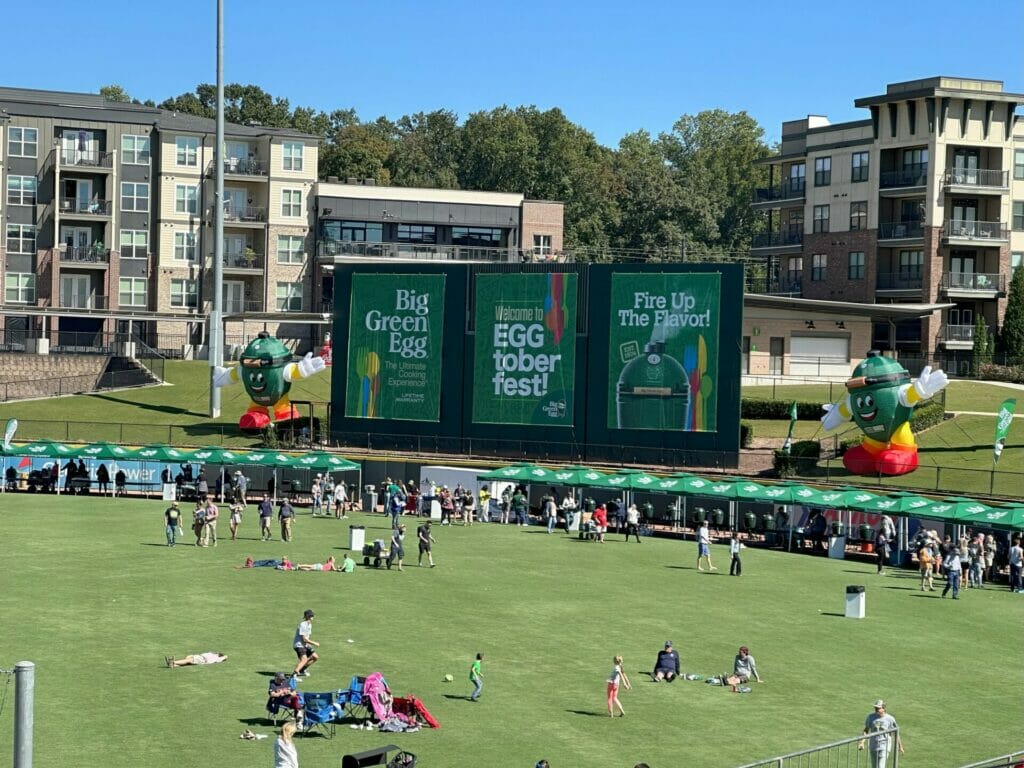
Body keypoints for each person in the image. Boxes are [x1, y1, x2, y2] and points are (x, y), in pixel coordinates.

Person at [859, 699, 904, 768]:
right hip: (873, 746)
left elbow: (896, 733)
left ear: (884, 708)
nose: (876, 709)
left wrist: (900, 746)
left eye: (878, 708)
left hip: (885, 746)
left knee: (880, 766)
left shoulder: (890, 719)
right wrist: (862, 742)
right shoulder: (871, 717)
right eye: (875, 708)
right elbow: (866, 730)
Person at [293, 609, 319, 677]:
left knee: (315, 657)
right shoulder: (303, 624)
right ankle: (294, 675)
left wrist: (309, 645)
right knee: (304, 660)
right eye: (311, 615)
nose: (313, 616)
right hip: (299, 645)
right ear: (308, 616)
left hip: (305, 645)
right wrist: (314, 643)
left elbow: (308, 637)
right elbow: (304, 639)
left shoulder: (309, 624)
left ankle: (302, 670)